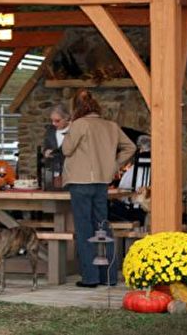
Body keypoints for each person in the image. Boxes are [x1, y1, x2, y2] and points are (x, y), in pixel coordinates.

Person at [61, 89, 136, 288]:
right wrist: (114, 165)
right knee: (102, 227)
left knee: (84, 228)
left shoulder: (79, 124)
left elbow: (66, 149)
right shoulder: (111, 125)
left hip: (80, 181)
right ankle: (109, 275)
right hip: (102, 182)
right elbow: (131, 147)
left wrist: (68, 129)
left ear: (76, 108)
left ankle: (90, 277)